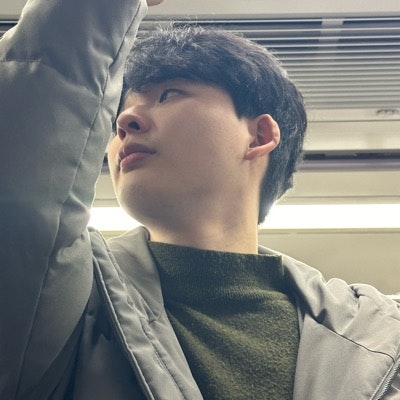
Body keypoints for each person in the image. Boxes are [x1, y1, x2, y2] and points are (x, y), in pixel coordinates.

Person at [0, 0, 399, 398]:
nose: (123, 122)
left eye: (168, 95)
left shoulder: (377, 333)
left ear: (259, 137)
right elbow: (27, 168)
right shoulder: (73, 297)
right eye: (119, 111)